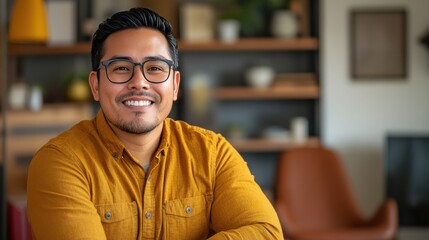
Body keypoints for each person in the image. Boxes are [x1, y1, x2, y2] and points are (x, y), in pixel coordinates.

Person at [27, 7, 283, 239]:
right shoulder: (60, 162)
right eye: (120, 68)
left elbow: (266, 232)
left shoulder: (212, 153)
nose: (139, 82)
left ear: (175, 85)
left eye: (155, 68)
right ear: (95, 85)